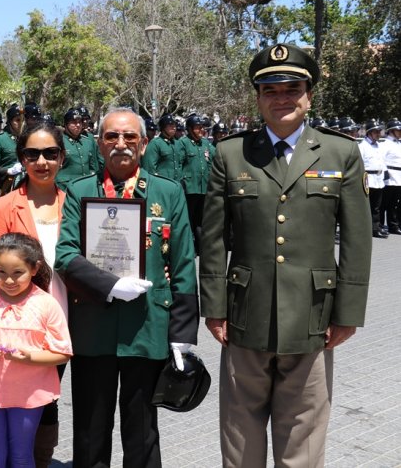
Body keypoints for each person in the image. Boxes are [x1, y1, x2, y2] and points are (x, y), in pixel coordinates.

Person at [199, 43, 372, 468]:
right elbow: (215, 239)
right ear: (258, 98)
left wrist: (347, 312)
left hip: (313, 315)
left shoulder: (340, 153)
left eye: (292, 88)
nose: (282, 98)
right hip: (245, 313)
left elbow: (357, 238)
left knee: (304, 434)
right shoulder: (231, 153)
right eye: (271, 90)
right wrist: (214, 308)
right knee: (240, 434)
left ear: (308, 94)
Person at [54, 107, 199, 467]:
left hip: (147, 327)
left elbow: (182, 264)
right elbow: (65, 254)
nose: (121, 144)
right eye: (111, 137)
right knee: (89, 430)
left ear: (144, 144)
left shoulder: (168, 192)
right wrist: (110, 285)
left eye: (130, 137)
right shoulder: (79, 190)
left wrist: (182, 333)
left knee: (142, 433)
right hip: (93, 327)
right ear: (99, 144)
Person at [0, 122, 68, 466]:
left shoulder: (74, 202)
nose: (42, 161)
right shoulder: (3, 207)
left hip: (65, 320)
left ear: (62, 157)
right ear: (21, 158)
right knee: (17, 398)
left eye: (50, 153)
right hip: (16, 325)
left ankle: (40, 459)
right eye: (32, 154)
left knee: (47, 398)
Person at [0, 233, 72, 468]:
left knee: (21, 454)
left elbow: (63, 352)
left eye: (18, 273)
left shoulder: (46, 303)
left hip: (29, 395)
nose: (9, 281)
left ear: (34, 268)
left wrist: (31, 357)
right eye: (1, 273)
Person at [179, 113, 216, 255]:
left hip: (204, 187)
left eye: (202, 128)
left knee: (202, 221)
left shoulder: (206, 143)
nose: (202, 130)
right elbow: (179, 165)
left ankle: (201, 248)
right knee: (188, 220)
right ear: (189, 129)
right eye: (198, 128)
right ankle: (188, 248)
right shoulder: (183, 143)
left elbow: (214, 159)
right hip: (189, 188)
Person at [55, 108, 101, 190]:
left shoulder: (88, 141)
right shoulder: (58, 142)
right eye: (74, 122)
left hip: (86, 188)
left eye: (79, 122)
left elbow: (94, 166)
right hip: (65, 188)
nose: (78, 125)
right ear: (66, 124)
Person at [359, 119, 388, 238]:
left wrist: (385, 177)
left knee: (376, 207)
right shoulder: (362, 146)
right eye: (376, 131)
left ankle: (375, 229)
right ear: (369, 132)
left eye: (379, 131)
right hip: (368, 179)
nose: (378, 133)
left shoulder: (379, 146)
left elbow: (382, 161)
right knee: (366, 207)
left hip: (378, 179)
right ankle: (364, 229)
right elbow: (359, 165)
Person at [0, 103, 23, 194]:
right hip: (5, 189)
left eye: (22, 120)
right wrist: (8, 170)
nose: (21, 124)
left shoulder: (24, 138)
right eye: (17, 120)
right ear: (10, 121)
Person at [141, 113, 184, 181]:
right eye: (170, 125)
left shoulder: (178, 143)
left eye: (174, 125)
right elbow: (149, 168)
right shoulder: (155, 143)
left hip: (177, 184)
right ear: (163, 127)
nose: (174, 127)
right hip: (162, 184)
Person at [382, 118, 401, 234]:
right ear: (391, 131)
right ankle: (385, 225)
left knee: (396, 203)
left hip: (399, 176)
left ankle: (395, 224)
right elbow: (382, 160)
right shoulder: (385, 144)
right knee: (386, 203)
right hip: (390, 176)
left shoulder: (399, 143)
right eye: (398, 130)